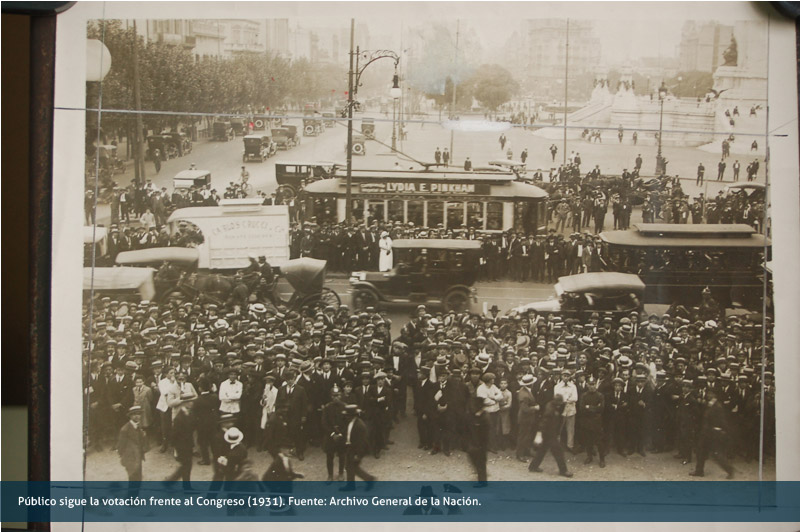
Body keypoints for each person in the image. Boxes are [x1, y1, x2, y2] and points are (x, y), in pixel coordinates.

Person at [690, 388, 734, 478]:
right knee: (701, 452)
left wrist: (720, 429)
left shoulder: (717, 406)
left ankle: (729, 470)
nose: (708, 395)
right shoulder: (710, 404)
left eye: (710, 394)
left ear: (715, 395)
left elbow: (722, 421)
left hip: (713, 433)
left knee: (716, 454)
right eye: (708, 393)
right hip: (706, 433)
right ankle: (699, 471)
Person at [528, 394, 573, 477]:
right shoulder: (550, 409)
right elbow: (545, 422)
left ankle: (533, 466)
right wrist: (541, 432)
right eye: (559, 403)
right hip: (549, 434)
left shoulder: (552, 405)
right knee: (558, 452)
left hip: (549, 433)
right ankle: (563, 470)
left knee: (542, 451)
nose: (560, 404)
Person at [340, 404, 376, 491]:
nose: (346, 417)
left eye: (347, 415)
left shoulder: (359, 426)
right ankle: (352, 485)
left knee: (353, 467)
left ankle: (369, 479)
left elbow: (362, 443)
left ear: (352, 416)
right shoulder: (351, 422)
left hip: (356, 450)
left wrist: (358, 455)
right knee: (350, 467)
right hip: (350, 447)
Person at [164, 397, 196, 488]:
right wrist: (176, 448)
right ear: (185, 403)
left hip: (188, 444)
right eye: (190, 401)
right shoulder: (179, 418)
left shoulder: (189, 413)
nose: (192, 403)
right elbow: (174, 434)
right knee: (186, 465)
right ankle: (183, 486)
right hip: (182, 446)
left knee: (186, 465)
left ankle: (170, 481)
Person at [578, 376, 606, 467]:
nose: (591, 387)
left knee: (599, 442)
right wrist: (594, 408)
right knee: (588, 440)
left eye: (593, 384)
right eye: (590, 385)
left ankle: (602, 459)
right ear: (587, 385)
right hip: (586, 421)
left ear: (596, 385)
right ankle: (589, 456)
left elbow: (601, 409)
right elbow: (582, 408)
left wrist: (589, 407)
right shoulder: (584, 395)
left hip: (597, 422)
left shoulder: (600, 395)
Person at [117, 406, 148, 482]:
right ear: (130, 416)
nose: (137, 416)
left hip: (138, 457)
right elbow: (120, 447)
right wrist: (124, 458)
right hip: (130, 458)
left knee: (138, 479)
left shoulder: (138, 426)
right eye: (134, 414)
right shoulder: (125, 430)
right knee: (133, 479)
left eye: (139, 414)